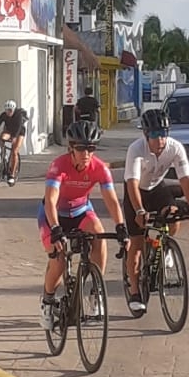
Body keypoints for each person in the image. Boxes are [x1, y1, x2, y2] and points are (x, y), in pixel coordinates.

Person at [38, 120, 128, 330]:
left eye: (91, 148)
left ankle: (96, 291)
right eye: (80, 148)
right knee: (58, 261)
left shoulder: (99, 168)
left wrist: (121, 227)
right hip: (54, 215)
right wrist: (56, 230)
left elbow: (112, 200)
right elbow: (50, 200)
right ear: (71, 148)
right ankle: (47, 302)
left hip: (80, 211)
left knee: (99, 235)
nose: (86, 153)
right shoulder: (58, 166)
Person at [123, 108, 189, 313]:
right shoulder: (136, 149)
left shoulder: (175, 148)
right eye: (155, 135)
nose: (160, 140)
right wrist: (139, 210)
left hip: (157, 188)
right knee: (137, 244)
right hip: (136, 192)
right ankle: (134, 291)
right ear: (146, 135)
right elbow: (132, 183)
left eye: (164, 134)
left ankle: (163, 246)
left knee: (174, 215)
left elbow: (185, 178)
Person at [0, 99, 27, 185]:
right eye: (7, 111)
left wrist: (14, 137)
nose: (8, 113)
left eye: (10, 111)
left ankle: (12, 175)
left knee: (14, 151)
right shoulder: (3, 115)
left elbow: (18, 127)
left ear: (13, 110)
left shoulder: (18, 115)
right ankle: (4, 154)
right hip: (9, 130)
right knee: (1, 138)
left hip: (19, 132)